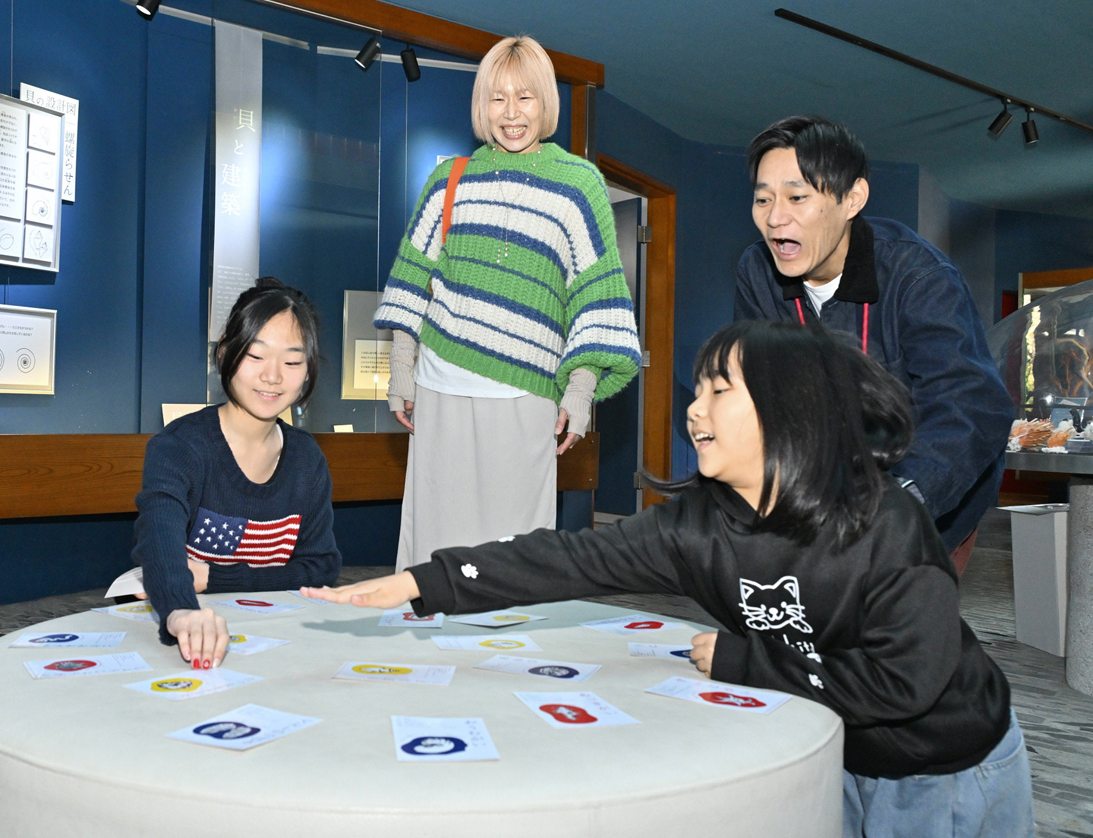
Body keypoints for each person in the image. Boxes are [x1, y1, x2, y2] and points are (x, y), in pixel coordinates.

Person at [305, 321, 1034, 838]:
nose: (694, 407)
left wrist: (743, 659)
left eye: (720, 390)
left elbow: (903, 684)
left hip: (949, 764)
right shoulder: (698, 528)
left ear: (792, 413)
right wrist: (420, 583)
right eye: (699, 388)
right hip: (845, 751)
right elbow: (564, 559)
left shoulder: (888, 526)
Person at [374, 35, 640, 571]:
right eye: (497, 98)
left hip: (526, 396)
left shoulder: (578, 185)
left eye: (526, 97)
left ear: (546, 104)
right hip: (440, 388)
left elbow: (597, 297)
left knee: (514, 554)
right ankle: (426, 653)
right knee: (433, 544)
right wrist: (402, 370)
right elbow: (411, 276)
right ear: (481, 105)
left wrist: (581, 392)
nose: (511, 113)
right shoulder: (450, 178)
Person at [733, 115, 1014, 575]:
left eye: (797, 197)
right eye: (763, 198)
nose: (775, 217)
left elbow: (973, 406)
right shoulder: (757, 270)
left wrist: (897, 505)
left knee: (896, 630)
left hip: (928, 493)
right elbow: (759, 389)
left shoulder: (920, 277)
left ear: (852, 199)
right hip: (824, 490)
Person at [132, 277, 341, 669]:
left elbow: (321, 568)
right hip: (189, 633)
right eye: (256, 356)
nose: (273, 376)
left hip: (278, 639)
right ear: (226, 352)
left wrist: (212, 577)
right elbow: (159, 550)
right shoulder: (179, 447)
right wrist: (180, 612)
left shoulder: (306, 458)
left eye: (292, 361)